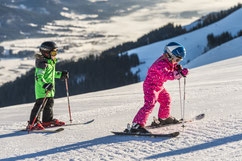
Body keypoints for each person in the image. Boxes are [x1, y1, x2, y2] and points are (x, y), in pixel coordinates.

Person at [129, 42, 189, 133]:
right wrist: (179, 73)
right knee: (150, 104)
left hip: (159, 86)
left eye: (179, 60)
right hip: (150, 86)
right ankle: (137, 124)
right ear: (169, 55)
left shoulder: (168, 62)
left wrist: (176, 68)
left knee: (166, 99)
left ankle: (164, 118)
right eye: (176, 59)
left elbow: (171, 67)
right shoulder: (161, 64)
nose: (177, 62)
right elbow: (167, 75)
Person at [27, 41, 69, 130]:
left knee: (49, 105)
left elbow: (52, 73)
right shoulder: (42, 64)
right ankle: (33, 123)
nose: (55, 54)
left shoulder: (50, 62)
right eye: (53, 52)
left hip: (50, 90)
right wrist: (45, 84)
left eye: (56, 52)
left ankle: (47, 120)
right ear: (46, 52)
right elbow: (39, 77)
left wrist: (61, 74)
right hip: (42, 90)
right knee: (39, 106)